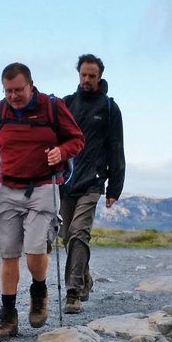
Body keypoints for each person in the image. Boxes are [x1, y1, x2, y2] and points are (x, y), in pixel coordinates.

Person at [0, 62, 85, 341]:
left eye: (18, 90)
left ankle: (39, 290)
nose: (13, 96)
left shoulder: (52, 107)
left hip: (43, 186)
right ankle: (8, 318)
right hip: (7, 187)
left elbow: (77, 139)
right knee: (8, 252)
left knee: (36, 250)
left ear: (31, 85)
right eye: (8, 91)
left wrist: (61, 152)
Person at [59, 54, 125, 314]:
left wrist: (115, 187)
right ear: (78, 74)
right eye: (83, 75)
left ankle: (73, 292)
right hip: (66, 181)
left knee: (78, 232)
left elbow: (116, 147)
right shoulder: (66, 104)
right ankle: (85, 279)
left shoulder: (109, 108)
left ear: (100, 77)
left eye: (92, 76)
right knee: (66, 237)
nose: (86, 80)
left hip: (94, 182)